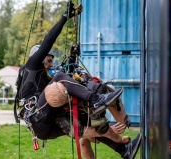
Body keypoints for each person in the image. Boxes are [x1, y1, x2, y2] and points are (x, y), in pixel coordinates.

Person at [15, 2, 141, 158]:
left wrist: (73, 56)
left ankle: (124, 151)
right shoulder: (32, 65)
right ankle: (96, 100)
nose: (51, 63)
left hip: (48, 124)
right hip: (37, 119)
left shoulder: (44, 76)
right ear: (38, 57)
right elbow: (49, 41)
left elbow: (66, 79)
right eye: (48, 60)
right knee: (60, 78)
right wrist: (64, 18)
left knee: (85, 120)